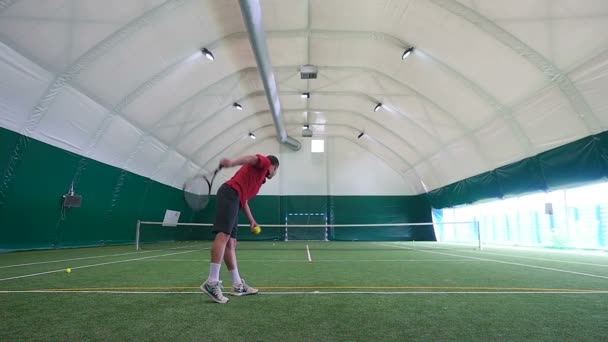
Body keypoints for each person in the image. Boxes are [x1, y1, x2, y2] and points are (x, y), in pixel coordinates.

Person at [200, 154, 279, 303]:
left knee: (231, 243)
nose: (275, 174)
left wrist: (252, 221)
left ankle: (237, 285)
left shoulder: (258, 180)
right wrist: (231, 162)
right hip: (230, 192)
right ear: (273, 167)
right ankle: (211, 282)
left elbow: (244, 200)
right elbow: (251, 158)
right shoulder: (265, 162)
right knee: (223, 235)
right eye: (276, 171)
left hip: (236, 198)